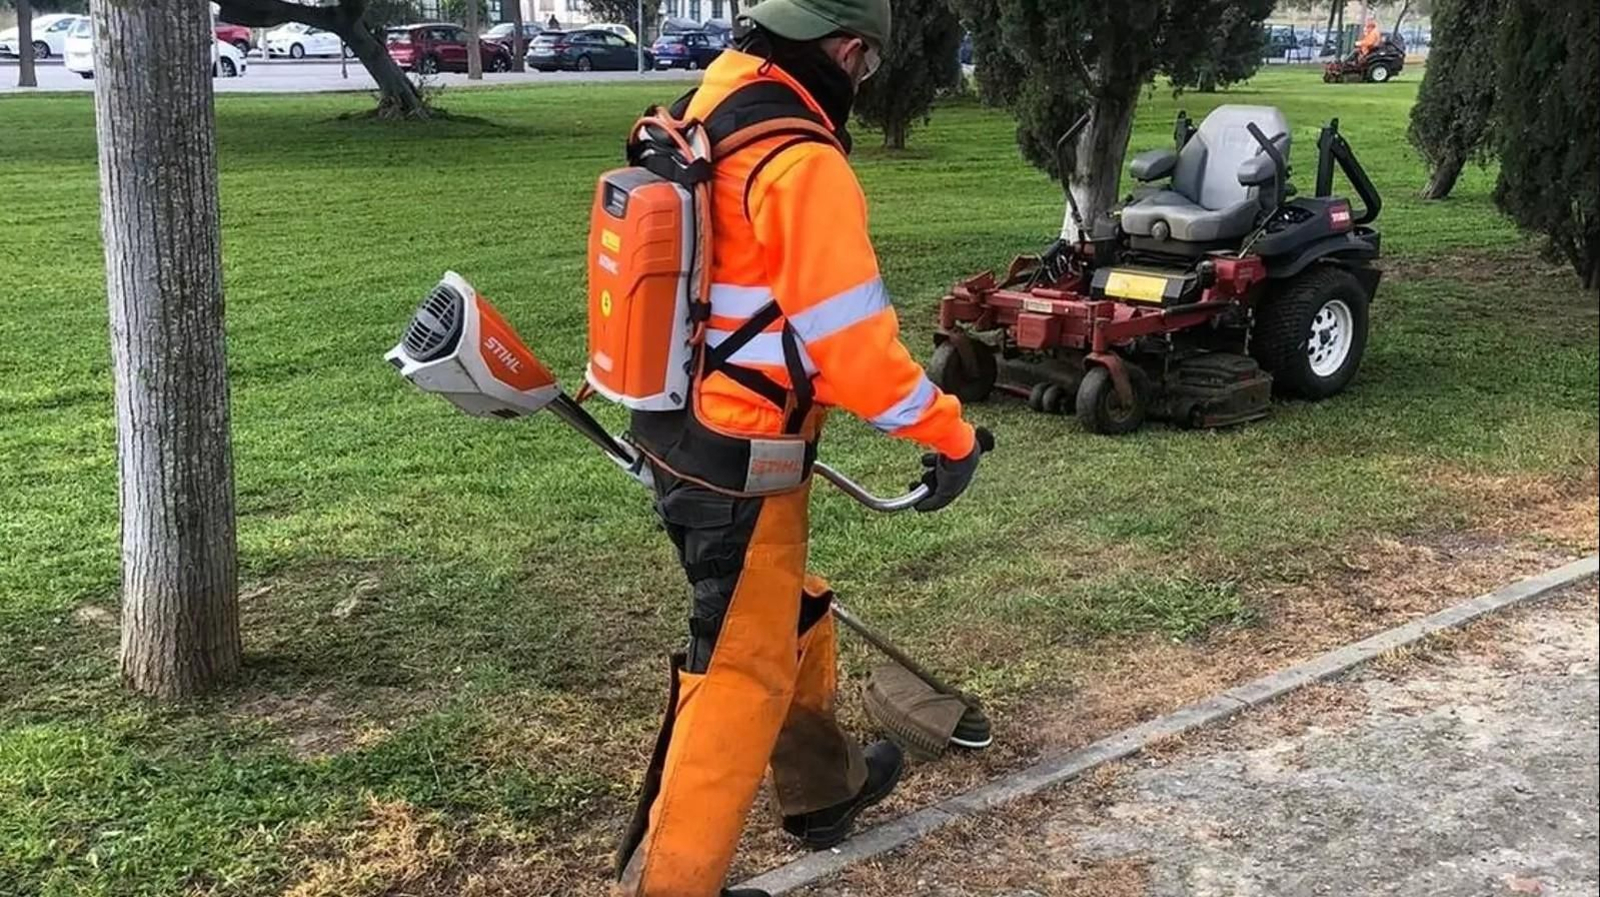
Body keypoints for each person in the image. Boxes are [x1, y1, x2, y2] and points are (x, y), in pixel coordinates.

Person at [612, 0, 984, 894]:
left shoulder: (711, 104)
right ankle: (669, 884)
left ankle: (824, 789)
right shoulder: (800, 159)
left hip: (678, 422)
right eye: (866, 69)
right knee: (738, 666)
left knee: (784, 608)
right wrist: (950, 433)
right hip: (740, 452)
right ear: (850, 51)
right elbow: (856, 353)